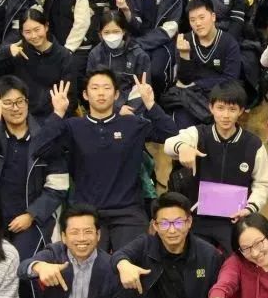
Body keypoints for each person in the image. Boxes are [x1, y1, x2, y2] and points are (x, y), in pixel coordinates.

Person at [43, 69, 177, 250]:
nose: (101, 93)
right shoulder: (73, 126)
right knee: (90, 265)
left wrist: (151, 104)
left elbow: (171, 134)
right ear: (85, 94)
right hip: (87, 213)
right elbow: (42, 149)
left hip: (128, 212)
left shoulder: (132, 124)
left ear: (116, 95)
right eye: (95, 88)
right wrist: (57, 113)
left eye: (106, 88)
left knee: (132, 261)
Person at [0, 76, 68, 265]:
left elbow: (58, 186)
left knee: (20, 267)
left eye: (20, 101)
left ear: (27, 103)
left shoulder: (46, 136)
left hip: (33, 221)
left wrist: (31, 215)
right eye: (8, 103)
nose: (15, 108)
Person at [163, 81, 268, 253]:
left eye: (232, 109)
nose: (226, 115)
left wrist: (249, 208)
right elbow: (169, 144)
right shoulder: (198, 133)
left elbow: (264, 185)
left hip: (235, 218)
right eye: (220, 108)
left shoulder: (253, 144)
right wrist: (182, 147)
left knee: (240, 257)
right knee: (193, 256)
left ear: (241, 111)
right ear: (211, 108)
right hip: (198, 216)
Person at [117, 0, 185, 96]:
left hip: (162, 43)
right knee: (133, 74)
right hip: (136, 41)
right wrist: (126, 11)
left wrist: (140, 43)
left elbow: (170, 29)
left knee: (156, 73)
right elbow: (131, 27)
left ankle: (160, 103)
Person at [165, 0, 242, 128]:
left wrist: (197, 84)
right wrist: (184, 55)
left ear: (213, 17)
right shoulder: (185, 40)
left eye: (202, 17)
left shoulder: (229, 43)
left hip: (219, 95)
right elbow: (184, 80)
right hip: (190, 96)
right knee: (183, 124)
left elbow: (230, 79)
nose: (198, 23)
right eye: (192, 20)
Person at [0, 8, 74, 120]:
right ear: (22, 32)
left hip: (53, 116)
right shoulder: (18, 52)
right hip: (21, 115)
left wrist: (56, 119)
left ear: (46, 27)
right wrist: (7, 52)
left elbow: (71, 98)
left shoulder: (63, 56)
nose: (34, 36)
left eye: (37, 29)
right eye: (28, 32)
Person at [30, 0, 95, 95]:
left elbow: (81, 24)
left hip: (77, 48)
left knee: (72, 75)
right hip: (52, 45)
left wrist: (68, 49)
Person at [86, 10, 151, 111]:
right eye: (106, 32)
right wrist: (115, 108)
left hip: (132, 110)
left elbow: (142, 88)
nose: (111, 36)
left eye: (116, 31)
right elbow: (92, 87)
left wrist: (129, 110)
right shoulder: (95, 54)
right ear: (100, 34)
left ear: (123, 31)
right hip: (103, 108)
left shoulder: (139, 55)